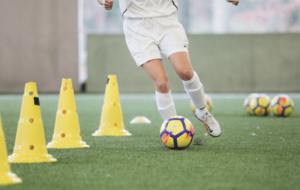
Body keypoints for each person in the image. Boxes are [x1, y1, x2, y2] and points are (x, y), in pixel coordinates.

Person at [98, 0, 239, 137]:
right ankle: (173, 128)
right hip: (137, 27)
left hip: (167, 22)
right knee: (161, 83)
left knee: (185, 72)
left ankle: (203, 112)